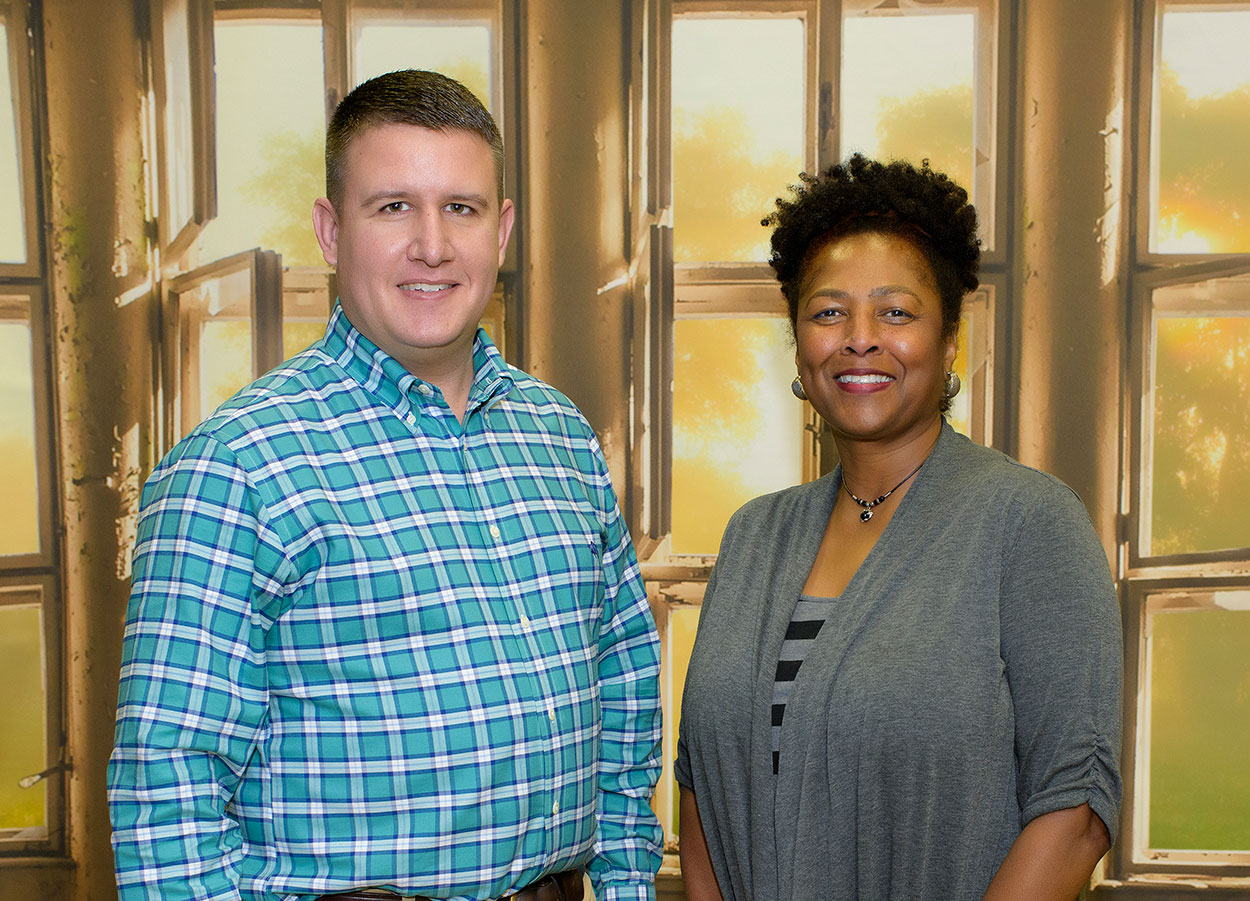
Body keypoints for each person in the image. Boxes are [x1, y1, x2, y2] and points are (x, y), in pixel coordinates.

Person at [108, 69, 663, 901]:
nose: (432, 245)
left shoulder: (562, 439)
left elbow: (624, 694)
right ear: (332, 231)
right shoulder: (236, 465)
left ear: (502, 230)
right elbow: (167, 797)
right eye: (394, 206)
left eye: (462, 208)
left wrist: (626, 889)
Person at [674, 154, 1122, 900]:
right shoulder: (753, 536)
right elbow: (701, 788)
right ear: (799, 343)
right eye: (828, 311)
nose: (859, 337)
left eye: (895, 311)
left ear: (950, 340)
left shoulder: (1031, 525)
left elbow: (1074, 811)